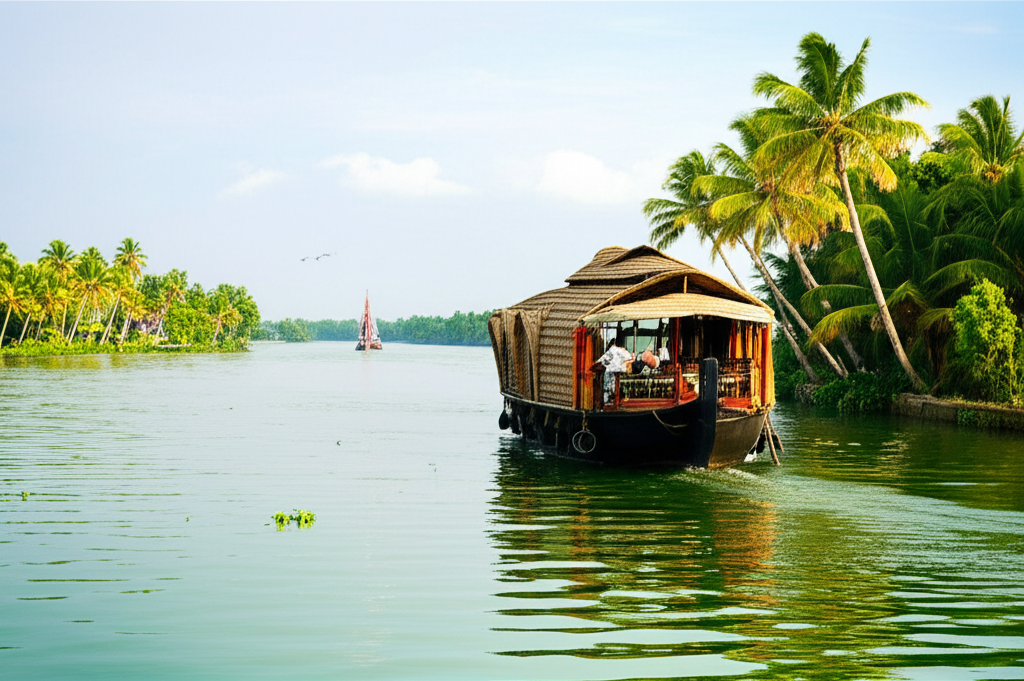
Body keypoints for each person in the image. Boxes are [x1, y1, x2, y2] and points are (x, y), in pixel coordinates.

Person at [591, 340, 633, 405]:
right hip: (608, 384)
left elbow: (629, 370)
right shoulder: (614, 353)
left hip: (613, 384)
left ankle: (611, 400)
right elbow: (597, 365)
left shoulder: (616, 354)